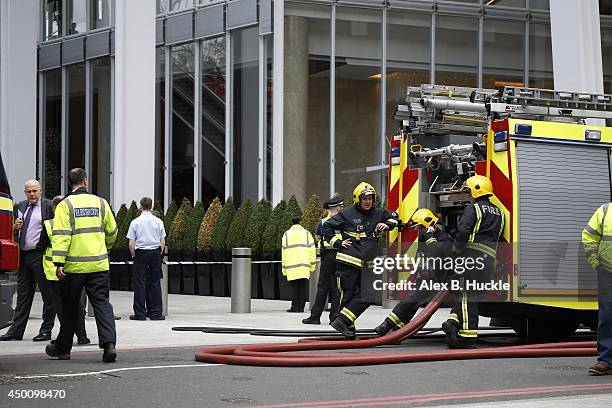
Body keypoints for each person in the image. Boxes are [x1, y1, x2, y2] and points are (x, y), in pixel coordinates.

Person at [45, 168, 118, 362]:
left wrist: (59, 262)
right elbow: (112, 231)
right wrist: (106, 247)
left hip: (74, 268)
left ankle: (64, 348)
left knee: (70, 307)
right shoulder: (101, 203)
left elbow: (61, 236)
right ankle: (109, 345)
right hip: (99, 265)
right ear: (85, 181)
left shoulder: (65, 205)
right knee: (101, 304)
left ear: (70, 183)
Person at [324, 182, 399, 339]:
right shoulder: (347, 214)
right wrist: (337, 243)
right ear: (357, 199)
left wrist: (386, 225)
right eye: (364, 198)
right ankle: (348, 330)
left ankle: (342, 321)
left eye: (370, 198)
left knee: (369, 295)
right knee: (348, 295)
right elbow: (327, 227)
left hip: (367, 263)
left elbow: (394, 217)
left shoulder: (378, 213)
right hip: (348, 261)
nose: (368, 201)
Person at [441, 175, 504, 349]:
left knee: (466, 295)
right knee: (471, 295)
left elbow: (463, 231)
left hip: (472, 257)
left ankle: (468, 336)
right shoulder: (500, 213)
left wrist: (456, 251)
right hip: (488, 260)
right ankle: (453, 322)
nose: (468, 195)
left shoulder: (473, 208)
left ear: (476, 190)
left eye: (469, 191)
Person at [374, 208, 453, 336]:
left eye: (421, 228)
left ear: (429, 225)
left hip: (437, 281)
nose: (419, 231)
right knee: (412, 304)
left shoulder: (444, 239)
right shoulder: (424, 238)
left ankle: (387, 324)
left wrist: (429, 237)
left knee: (410, 300)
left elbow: (437, 253)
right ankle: (398, 330)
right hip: (424, 278)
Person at [0, 180, 56, 342]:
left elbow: (55, 229)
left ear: (41, 190)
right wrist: (14, 227)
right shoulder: (22, 206)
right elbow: (13, 229)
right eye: (28, 191)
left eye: (34, 191)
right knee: (23, 295)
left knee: (48, 294)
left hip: (41, 254)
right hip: (23, 256)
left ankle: (46, 330)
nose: (32, 194)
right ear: (25, 193)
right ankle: (16, 331)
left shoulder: (48, 206)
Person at [42, 195, 90, 345]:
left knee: (62, 306)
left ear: (54, 208)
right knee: (79, 305)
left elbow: (40, 246)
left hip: (56, 271)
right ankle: (82, 336)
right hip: (77, 268)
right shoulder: (77, 223)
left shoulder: (50, 224)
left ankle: (65, 336)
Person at [302, 196, 343, 325]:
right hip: (340, 256)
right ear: (337, 208)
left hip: (327, 256)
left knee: (322, 286)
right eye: (341, 206)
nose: (342, 208)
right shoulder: (344, 221)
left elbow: (318, 237)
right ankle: (334, 317)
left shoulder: (323, 222)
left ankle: (315, 316)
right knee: (337, 287)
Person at [582, 203, 612, 375]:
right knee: (607, 316)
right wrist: (596, 263)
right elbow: (588, 236)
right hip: (607, 272)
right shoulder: (605, 211)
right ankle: (606, 361)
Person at [127, 196, 166, 321]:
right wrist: (159, 253)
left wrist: (134, 255)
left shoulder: (135, 222)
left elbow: (131, 243)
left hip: (141, 253)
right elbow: (162, 242)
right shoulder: (158, 221)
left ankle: (140, 314)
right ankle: (156, 313)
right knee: (155, 283)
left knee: (140, 283)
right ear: (151, 206)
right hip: (154, 253)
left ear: (141, 206)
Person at [282, 216, 316, 313]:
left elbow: (284, 252)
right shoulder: (306, 233)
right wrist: (312, 265)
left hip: (291, 265)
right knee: (303, 287)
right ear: (300, 222)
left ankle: (294, 306)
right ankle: (301, 307)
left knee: (294, 287)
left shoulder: (286, 234)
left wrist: (284, 268)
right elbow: (312, 250)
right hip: (304, 265)